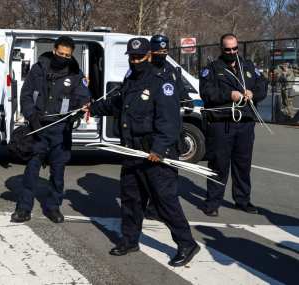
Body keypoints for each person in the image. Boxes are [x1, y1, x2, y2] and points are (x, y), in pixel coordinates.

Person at [87, 38, 199, 267]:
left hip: (156, 154)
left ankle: (187, 243)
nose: (135, 61)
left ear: (149, 56)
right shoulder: (131, 79)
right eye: (132, 57)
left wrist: (159, 150)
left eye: (140, 57)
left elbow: (169, 122)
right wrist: (93, 107)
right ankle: (129, 241)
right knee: (131, 200)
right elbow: (118, 104)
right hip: (132, 152)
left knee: (164, 202)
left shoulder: (162, 82)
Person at [11, 36, 90, 224]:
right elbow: (26, 95)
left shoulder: (76, 74)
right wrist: (32, 116)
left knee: (58, 172)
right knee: (31, 172)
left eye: (67, 55)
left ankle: (53, 207)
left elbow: (82, 98)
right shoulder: (38, 69)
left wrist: (81, 109)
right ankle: (23, 208)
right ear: (54, 50)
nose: (63, 57)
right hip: (38, 127)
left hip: (61, 131)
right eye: (60, 53)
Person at [199, 33, 267, 217]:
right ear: (222, 49)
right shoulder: (212, 69)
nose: (232, 52)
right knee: (218, 165)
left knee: (243, 164)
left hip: (244, 123)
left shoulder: (248, 66)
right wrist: (230, 95)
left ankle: (242, 200)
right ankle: (212, 203)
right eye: (228, 49)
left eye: (234, 48)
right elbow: (206, 92)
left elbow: (263, 85)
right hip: (222, 124)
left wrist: (253, 93)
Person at [142, 34, 195, 220]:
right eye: (158, 51)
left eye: (165, 51)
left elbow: (180, 90)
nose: (162, 54)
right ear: (151, 51)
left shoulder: (172, 70)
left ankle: (157, 209)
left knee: (170, 173)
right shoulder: (144, 71)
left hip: (173, 131)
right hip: (153, 131)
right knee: (153, 174)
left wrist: (187, 100)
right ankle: (152, 205)